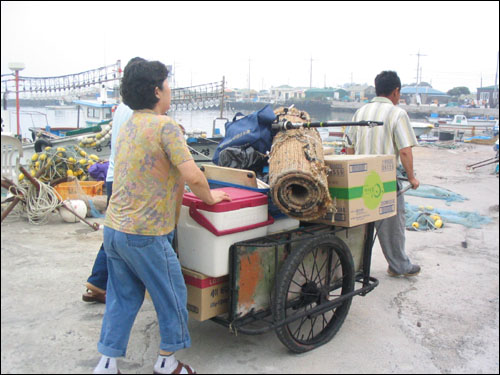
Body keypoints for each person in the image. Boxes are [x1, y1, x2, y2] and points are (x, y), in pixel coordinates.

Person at [93, 58, 231, 374]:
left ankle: (107, 363)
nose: (170, 91)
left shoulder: (128, 124)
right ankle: (167, 362)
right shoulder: (165, 126)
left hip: (114, 230)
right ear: (157, 91)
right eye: (167, 86)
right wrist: (211, 196)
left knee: (122, 299)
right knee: (171, 295)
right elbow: (193, 175)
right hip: (145, 234)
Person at [344, 70, 421, 277]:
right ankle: (399, 266)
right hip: (385, 181)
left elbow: (349, 147)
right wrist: (412, 177)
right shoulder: (397, 113)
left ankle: (352, 267)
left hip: (358, 180)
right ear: (396, 91)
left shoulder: (360, 112)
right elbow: (404, 150)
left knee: (360, 227)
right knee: (392, 227)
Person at [82, 100, 134, 304]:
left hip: (114, 176)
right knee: (122, 235)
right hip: (126, 178)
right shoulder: (137, 109)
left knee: (114, 232)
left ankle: (99, 282)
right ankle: (102, 283)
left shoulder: (122, 107)